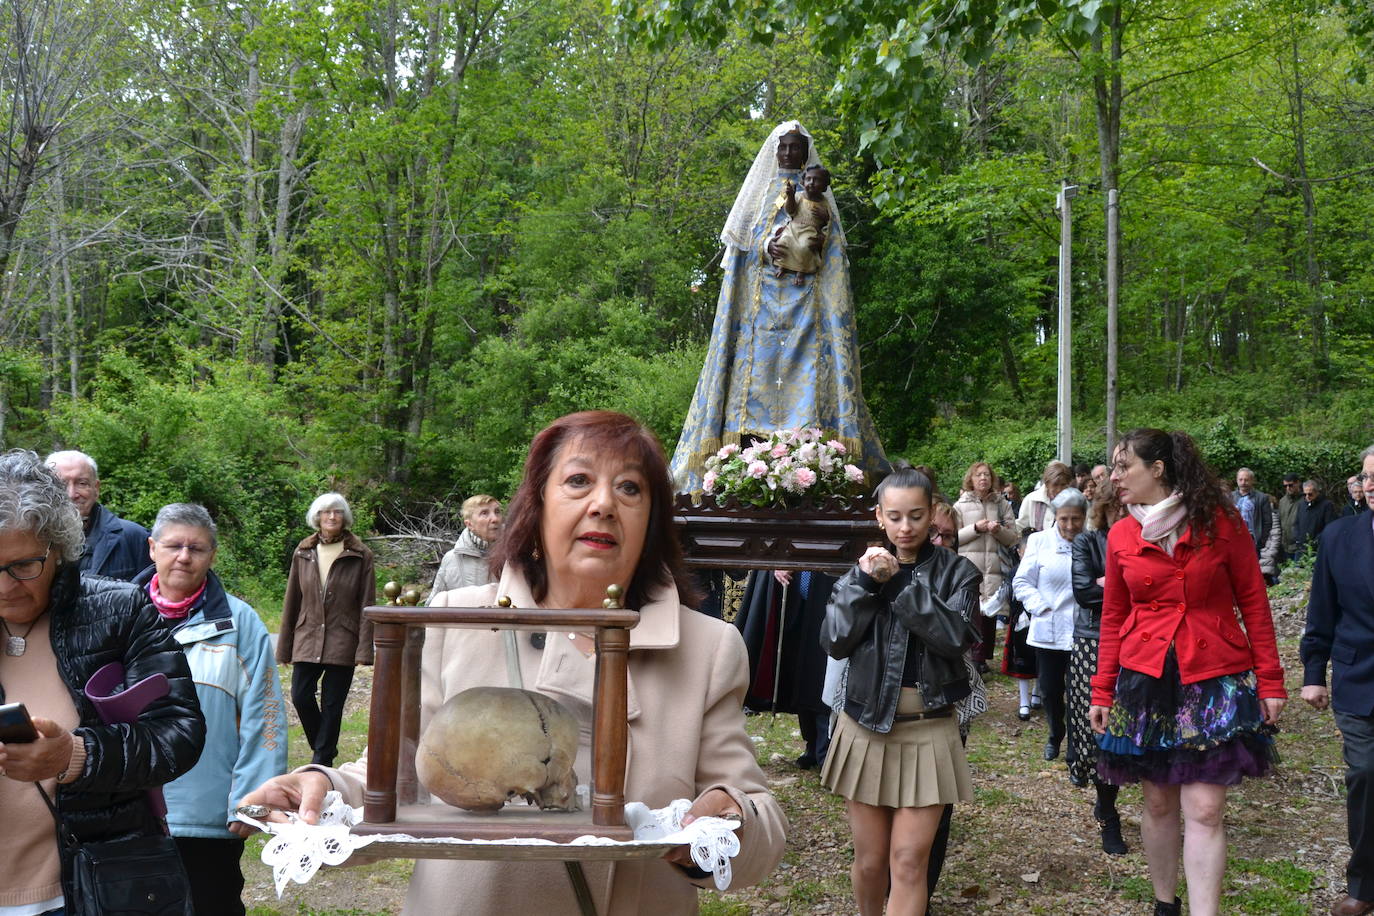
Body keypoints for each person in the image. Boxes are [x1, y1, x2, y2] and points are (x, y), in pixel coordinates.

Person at [243, 411, 787, 915]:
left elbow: (757, 816)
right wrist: (318, 791)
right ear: (537, 503)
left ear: (652, 519)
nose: (603, 504)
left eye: (630, 488)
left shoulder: (706, 647)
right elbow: (400, 772)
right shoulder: (455, 621)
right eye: (578, 482)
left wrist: (724, 820)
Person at [1090, 429, 1286, 916]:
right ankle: (1164, 905)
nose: (1114, 477)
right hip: (1146, 680)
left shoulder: (1222, 523)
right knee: (1158, 804)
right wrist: (1102, 687)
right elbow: (1113, 616)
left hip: (1215, 679)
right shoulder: (1120, 534)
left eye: (1123, 466)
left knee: (1204, 808)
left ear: (1157, 469)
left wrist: (1272, 680)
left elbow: (1255, 604)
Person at [0, 449, 204, 915]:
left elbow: (180, 732)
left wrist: (74, 756)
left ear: (59, 546)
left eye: (23, 566)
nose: (6, 586)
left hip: (91, 888)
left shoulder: (119, 611)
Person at [669, 121, 887, 493]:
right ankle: (743, 465)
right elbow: (742, 246)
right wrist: (765, 246)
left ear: (806, 153)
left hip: (806, 312)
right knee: (754, 380)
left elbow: (830, 250)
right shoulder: (760, 194)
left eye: (796, 148)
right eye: (784, 147)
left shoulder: (817, 195)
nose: (789, 154)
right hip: (759, 316)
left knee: (806, 379)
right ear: (776, 151)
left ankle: (813, 467)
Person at [820, 463, 978, 916]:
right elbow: (833, 640)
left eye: (915, 515)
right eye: (894, 517)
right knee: (871, 863)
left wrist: (900, 586)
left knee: (909, 862)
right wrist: (868, 583)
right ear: (879, 517)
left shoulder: (958, 573)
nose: (904, 527)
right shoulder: (860, 573)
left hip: (929, 727)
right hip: (866, 724)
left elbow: (956, 638)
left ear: (932, 515)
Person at [127, 503, 287, 916]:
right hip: (127, 809)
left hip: (206, 814)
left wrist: (252, 802)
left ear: (212, 555)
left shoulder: (241, 622)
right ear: (151, 549)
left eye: (196, 548)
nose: (184, 556)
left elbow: (265, 715)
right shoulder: (117, 611)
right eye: (174, 545)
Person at [1300, 445, 1374, 916]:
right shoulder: (1338, 536)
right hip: (1358, 676)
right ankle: (1364, 886)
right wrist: (1313, 674)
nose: (1371, 486)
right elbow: (1321, 612)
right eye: (1368, 477)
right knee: (1366, 774)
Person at [277, 492, 375, 767]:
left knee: (333, 705)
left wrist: (364, 649)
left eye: (338, 512)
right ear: (317, 517)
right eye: (326, 512)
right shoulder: (303, 551)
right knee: (300, 695)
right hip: (307, 635)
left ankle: (321, 761)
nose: (332, 517)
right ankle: (325, 748)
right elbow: (291, 600)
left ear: (345, 517)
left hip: (343, 637)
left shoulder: (360, 554)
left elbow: (367, 603)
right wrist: (284, 646)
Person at [1069, 480, 1129, 855]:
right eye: (1116, 509)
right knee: (1100, 729)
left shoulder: (1149, 539)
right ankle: (1107, 811)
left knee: (1133, 727)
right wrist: (1121, 585)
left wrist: (1108, 582)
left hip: (1138, 640)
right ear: (1104, 510)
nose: (1123, 516)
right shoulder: (1087, 542)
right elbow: (1084, 592)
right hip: (1093, 639)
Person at [1014, 488, 1086, 762]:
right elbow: (1021, 581)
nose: (1070, 526)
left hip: (1083, 631)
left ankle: (1076, 746)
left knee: (1080, 692)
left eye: (1076, 519)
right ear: (1056, 516)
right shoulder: (1039, 541)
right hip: (1049, 630)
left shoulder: (1090, 541)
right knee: (1050, 689)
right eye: (1064, 519)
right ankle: (1056, 732)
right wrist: (1040, 607)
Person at [45, 449, 150, 581]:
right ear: (45, 490)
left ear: (96, 488)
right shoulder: (32, 540)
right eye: (61, 484)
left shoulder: (135, 537)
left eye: (82, 483)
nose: (71, 494)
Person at [953, 461, 1018, 673]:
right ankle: (973, 658)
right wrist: (975, 528)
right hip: (969, 566)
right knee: (972, 612)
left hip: (995, 567)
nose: (983, 478)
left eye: (987, 475)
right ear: (971, 479)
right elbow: (953, 538)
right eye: (979, 475)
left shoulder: (1002, 504)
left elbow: (1013, 538)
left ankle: (982, 659)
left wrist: (998, 530)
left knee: (989, 614)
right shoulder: (960, 506)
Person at [428, 494, 502, 599]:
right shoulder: (451, 560)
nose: (495, 518)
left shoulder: (513, 556)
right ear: (469, 524)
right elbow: (434, 606)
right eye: (484, 513)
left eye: (497, 512)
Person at [769, 164, 832, 283]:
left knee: (805, 247)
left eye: (816, 180)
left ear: (824, 186)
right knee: (784, 242)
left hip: (810, 231)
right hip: (793, 228)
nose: (812, 182)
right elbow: (790, 210)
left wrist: (825, 217)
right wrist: (791, 197)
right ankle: (782, 265)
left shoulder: (824, 202)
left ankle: (801, 271)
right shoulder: (798, 196)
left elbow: (829, 222)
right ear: (803, 182)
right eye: (808, 179)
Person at [1232, 468, 1281, 584]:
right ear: (1237, 480)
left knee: (1252, 568)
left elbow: (1267, 522)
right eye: (1241, 479)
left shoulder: (1261, 498)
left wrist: (1261, 540)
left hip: (1252, 538)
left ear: (1252, 481)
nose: (1243, 482)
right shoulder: (1231, 497)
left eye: (1246, 480)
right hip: (1234, 538)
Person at [1017, 460, 1073, 534]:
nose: (1059, 489)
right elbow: (1021, 526)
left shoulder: (1075, 502)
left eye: (1063, 485)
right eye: (1055, 485)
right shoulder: (1031, 499)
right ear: (1047, 484)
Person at [1294, 479, 1339, 560]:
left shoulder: (1326, 505)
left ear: (1317, 492)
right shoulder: (1301, 504)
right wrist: (1298, 538)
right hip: (1301, 548)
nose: (1307, 497)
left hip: (1317, 549)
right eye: (1305, 494)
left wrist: (1316, 541)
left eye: (1310, 494)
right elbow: (1296, 523)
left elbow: (1330, 526)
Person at [1278, 472, 1303, 559]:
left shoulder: (1304, 500)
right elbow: (1279, 522)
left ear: (1298, 483)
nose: (1288, 488)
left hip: (1299, 547)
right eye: (1285, 486)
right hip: (1285, 546)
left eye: (1291, 485)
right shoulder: (1282, 501)